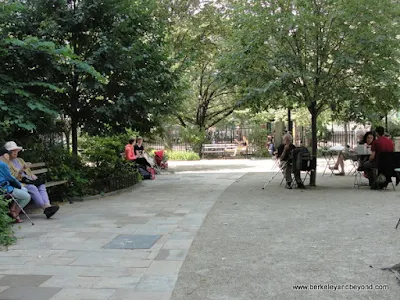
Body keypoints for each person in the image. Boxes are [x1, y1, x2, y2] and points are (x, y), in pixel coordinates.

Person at [4, 141, 59, 219]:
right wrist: (22, 169)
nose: (15, 152)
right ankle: (45, 208)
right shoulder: (6, 163)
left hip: (28, 180)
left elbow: (29, 171)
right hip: (19, 182)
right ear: (8, 152)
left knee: (41, 185)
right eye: (12, 151)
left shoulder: (20, 160)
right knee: (32, 188)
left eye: (16, 151)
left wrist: (32, 175)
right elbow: (13, 178)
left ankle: (48, 205)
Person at [0, 147, 31, 223]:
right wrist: (19, 185)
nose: (9, 155)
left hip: (4, 186)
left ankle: (13, 209)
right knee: (27, 196)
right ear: (4, 155)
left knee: (25, 189)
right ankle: (15, 213)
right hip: (4, 188)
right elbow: (10, 178)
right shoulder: (3, 165)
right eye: (8, 154)